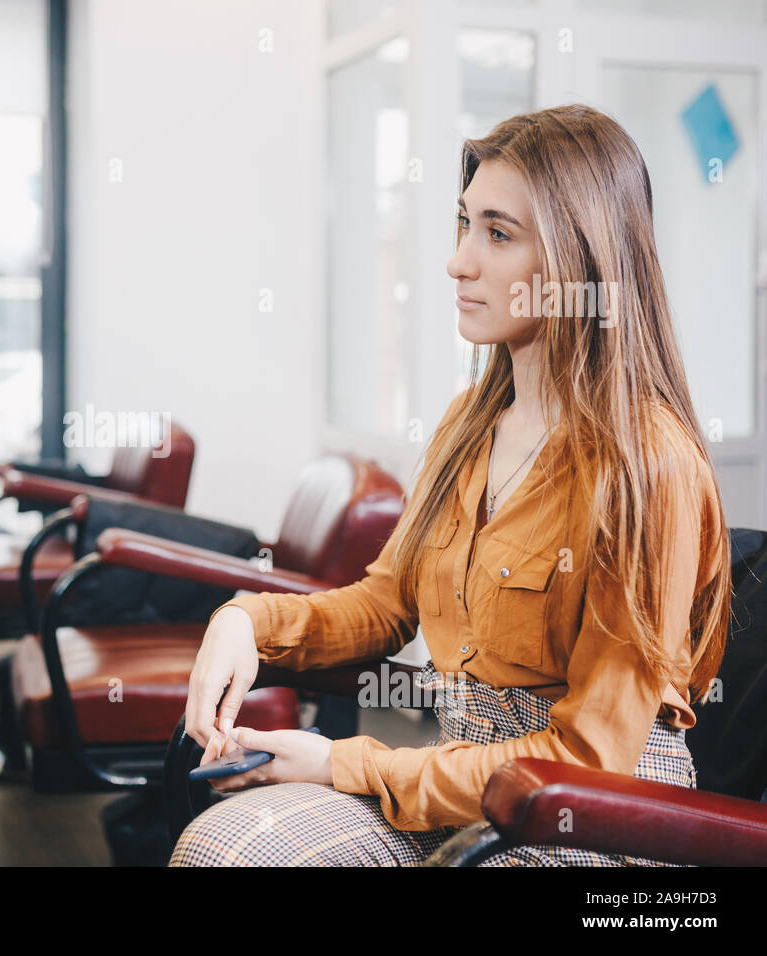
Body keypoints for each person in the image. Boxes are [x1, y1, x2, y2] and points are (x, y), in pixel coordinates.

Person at [172, 104, 732, 866]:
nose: (458, 260)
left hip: (591, 816)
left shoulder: (648, 466)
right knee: (228, 849)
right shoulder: (469, 422)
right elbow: (386, 602)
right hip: (455, 781)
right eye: (464, 223)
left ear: (579, 262)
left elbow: (587, 755)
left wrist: (344, 761)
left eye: (497, 234)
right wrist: (245, 620)